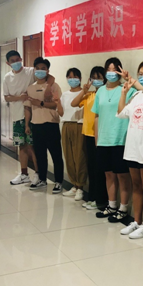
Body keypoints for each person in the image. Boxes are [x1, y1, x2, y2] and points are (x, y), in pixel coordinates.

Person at [116, 61, 143, 238]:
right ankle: (137, 221)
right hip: (132, 147)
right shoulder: (136, 95)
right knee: (136, 185)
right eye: (141, 74)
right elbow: (121, 113)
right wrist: (124, 93)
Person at [91, 57, 137, 221]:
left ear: (120, 71)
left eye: (114, 69)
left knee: (122, 176)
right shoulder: (100, 91)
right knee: (109, 175)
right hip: (104, 140)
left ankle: (123, 209)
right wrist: (97, 139)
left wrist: (129, 79)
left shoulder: (127, 89)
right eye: (108, 70)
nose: (111, 73)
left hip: (121, 138)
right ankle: (112, 206)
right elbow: (97, 116)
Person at [2, 50, 54, 186]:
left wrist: (48, 88)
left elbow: (50, 77)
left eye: (17, 59)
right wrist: (20, 97)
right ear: (8, 63)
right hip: (17, 116)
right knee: (22, 146)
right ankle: (24, 174)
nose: (16, 62)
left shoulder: (31, 71)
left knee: (33, 146)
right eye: (12, 61)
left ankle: (38, 174)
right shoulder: (7, 78)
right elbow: (6, 97)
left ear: (21, 59)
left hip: (32, 116)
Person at [23, 57, 64, 194]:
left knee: (56, 155)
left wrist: (41, 103)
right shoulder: (30, 88)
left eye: (43, 68)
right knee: (40, 155)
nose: (40, 71)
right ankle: (42, 179)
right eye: (38, 68)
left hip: (51, 124)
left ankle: (59, 181)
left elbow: (56, 104)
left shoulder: (54, 86)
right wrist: (27, 125)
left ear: (48, 71)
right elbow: (28, 108)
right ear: (34, 70)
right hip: (36, 125)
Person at [71, 66, 109, 211]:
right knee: (91, 169)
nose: (96, 80)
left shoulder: (106, 94)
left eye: (99, 77)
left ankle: (100, 200)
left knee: (100, 170)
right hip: (87, 135)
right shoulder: (90, 94)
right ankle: (92, 197)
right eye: (93, 77)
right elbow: (74, 104)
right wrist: (84, 91)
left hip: (100, 136)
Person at [56, 68, 86, 202]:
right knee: (69, 156)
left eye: (75, 77)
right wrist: (57, 103)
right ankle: (74, 185)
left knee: (79, 157)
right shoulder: (65, 94)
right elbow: (61, 113)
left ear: (80, 78)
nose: (72, 79)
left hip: (79, 125)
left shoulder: (84, 93)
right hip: (66, 125)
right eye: (69, 77)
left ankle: (80, 187)